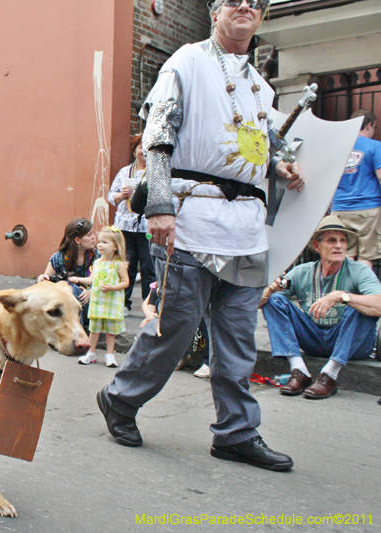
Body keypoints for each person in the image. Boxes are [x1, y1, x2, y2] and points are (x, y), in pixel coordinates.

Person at [96, 0, 304, 472]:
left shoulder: (260, 87)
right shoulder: (187, 60)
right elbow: (157, 136)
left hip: (246, 228)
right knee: (176, 327)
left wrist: (279, 165)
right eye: (234, 0)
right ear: (215, 12)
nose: (245, 6)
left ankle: (236, 432)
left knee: (236, 339)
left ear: (263, 16)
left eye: (255, 1)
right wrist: (162, 204)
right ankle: (121, 399)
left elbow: (256, 143)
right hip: (191, 217)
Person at [260, 216, 381, 399]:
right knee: (274, 299)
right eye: (332, 240)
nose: (339, 246)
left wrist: (342, 296)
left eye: (343, 241)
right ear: (317, 246)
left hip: (352, 344)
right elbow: (257, 304)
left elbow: (379, 304)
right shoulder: (303, 271)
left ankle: (329, 375)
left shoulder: (359, 270)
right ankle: (299, 371)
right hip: (314, 337)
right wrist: (269, 289)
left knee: (360, 305)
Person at [108, 133, 156, 314]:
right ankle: (124, 304)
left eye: (148, 148)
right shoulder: (124, 172)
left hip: (147, 227)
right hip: (125, 226)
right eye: (141, 147)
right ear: (134, 151)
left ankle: (149, 305)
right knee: (126, 265)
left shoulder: (154, 173)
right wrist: (123, 195)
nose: (144, 151)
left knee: (148, 266)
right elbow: (110, 196)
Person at [330, 110, 381, 268]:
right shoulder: (375, 146)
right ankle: (362, 292)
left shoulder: (339, 148)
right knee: (366, 256)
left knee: (345, 255)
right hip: (368, 209)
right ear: (370, 125)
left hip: (339, 209)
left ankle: (342, 291)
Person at [73, 226, 129, 367]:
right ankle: (91, 353)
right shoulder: (97, 263)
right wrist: (79, 279)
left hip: (111, 303)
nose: (99, 245)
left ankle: (110, 355)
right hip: (98, 302)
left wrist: (112, 287)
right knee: (94, 330)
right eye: (100, 241)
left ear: (115, 247)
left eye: (105, 242)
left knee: (110, 332)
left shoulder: (118, 264)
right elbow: (92, 279)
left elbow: (125, 282)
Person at [37, 218, 99, 331]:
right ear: (77, 240)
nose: (94, 237)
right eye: (90, 235)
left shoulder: (98, 256)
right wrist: (42, 278)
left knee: (70, 287)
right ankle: (76, 331)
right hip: (66, 308)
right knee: (70, 287)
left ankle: (75, 332)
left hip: (94, 306)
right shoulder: (59, 257)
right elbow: (44, 286)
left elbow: (110, 281)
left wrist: (91, 291)